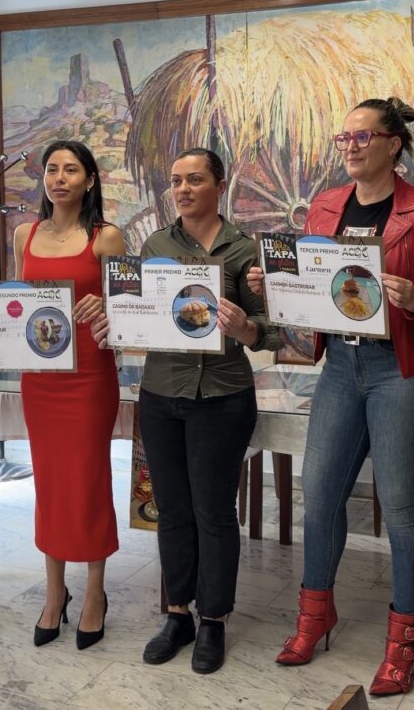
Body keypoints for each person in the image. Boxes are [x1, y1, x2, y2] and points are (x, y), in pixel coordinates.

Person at [248, 97, 414, 695]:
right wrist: (275, 282)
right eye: (343, 137)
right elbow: (313, 288)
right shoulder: (324, 207)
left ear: (393, 144)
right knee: (319, 496)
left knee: (401, 505)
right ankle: (314, 618)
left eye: (362, 136)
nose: (349, 146)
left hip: (405, 368)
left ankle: (403, 644)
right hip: (341, 366)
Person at [91, 147, 280, 674]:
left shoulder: (244, 249)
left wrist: (244, 327)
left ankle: (213, 619)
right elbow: (141, 314)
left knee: (213, 512)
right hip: (161, 393)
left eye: (194, 180)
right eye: (176, 181)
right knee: (171, 510)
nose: (182, 189)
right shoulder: (155, 245)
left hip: (222, 396)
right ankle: (178, 615)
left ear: (219, 185)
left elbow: (269, 332)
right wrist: (114, 320)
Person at [16, 140, 125, 650]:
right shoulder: (25, 234)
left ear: (90, 180)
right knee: (50, 483)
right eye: (52, 169)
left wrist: (105, 306)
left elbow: (130, 308)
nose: (59, 178)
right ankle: (55, 593)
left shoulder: (107, 237)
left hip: (89, 379)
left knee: (88, 481)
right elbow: (16, 305)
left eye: (71, 170)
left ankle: (95, 593)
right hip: (40, 379)